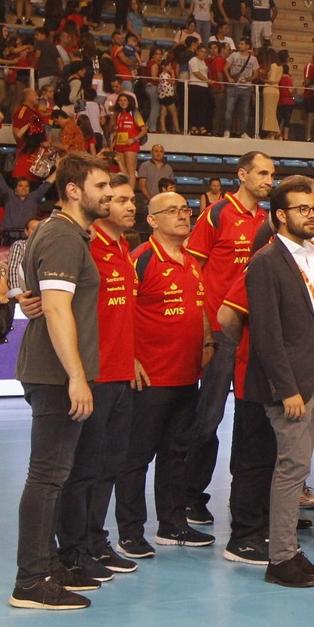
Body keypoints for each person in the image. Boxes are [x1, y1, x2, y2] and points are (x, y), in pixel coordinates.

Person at [10, 152, 113, 610]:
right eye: (100, 186)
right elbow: (54, 308)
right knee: (48, 477)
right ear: (74, 190)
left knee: (53, 475)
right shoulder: (64, 237)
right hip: (55, 374)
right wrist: (76, 375)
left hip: (52, 371)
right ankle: (31, 581)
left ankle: (47, 566)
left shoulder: (60, 234)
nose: (107, 194)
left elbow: (42, 298)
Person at [242, 177, 314, 588]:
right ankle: (279, 557)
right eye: (303, 209)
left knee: (297, 468)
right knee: (290, 468)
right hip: (290, 382)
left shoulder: (311, 256)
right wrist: (286, 389)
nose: (311, 215)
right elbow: (266, 333)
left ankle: (290, 550)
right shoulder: (266, 261)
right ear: (280, 215)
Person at [116, 191, 212, 561]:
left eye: (185, 210)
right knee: (136, 457)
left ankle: (172, 524)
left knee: (176, 454)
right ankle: (129, 531)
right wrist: (131, 358)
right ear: (152, 220)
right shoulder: (140, 260)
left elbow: (198, 306)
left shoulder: (190, 261)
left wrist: (206, 340)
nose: (182, 216)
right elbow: (120, 312)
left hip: (187, 376)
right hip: (149, 378)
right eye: (171, 211)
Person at [55, 175, 140, 584]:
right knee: (82, 469)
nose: (126, 205)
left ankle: (93, 539)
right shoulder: (86, 245)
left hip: (121, 373)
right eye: (118, 198)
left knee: (108, 467)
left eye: (129, 199)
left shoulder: (123, 248)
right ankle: (71, 551)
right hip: (94, 373)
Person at [183, 151, 274, 526]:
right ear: (242, 174)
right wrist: (205, 330)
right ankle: (190, 496)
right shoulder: (217, 214)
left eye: (272, 174)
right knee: (208, 418)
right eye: (263, 173)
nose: (269, 180)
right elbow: (192, 268)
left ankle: (244, 496)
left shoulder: (268, 220)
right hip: (220, 334)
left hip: (254, 336)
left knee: (249, 419)